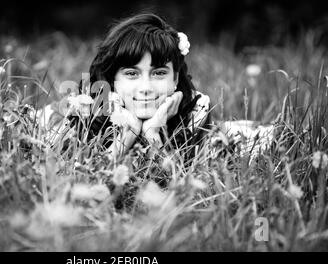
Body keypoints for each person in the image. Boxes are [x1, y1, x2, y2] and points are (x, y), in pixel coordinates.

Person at [31, 13, 212, 163]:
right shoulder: (81, 112)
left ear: (175, 79)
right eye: (132, 74)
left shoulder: (195, 110)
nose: (146, 88)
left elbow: (180, 186)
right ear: (113, 80)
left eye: (159, 73)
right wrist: (127, 135)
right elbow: (83, 181)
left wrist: (153, 134)